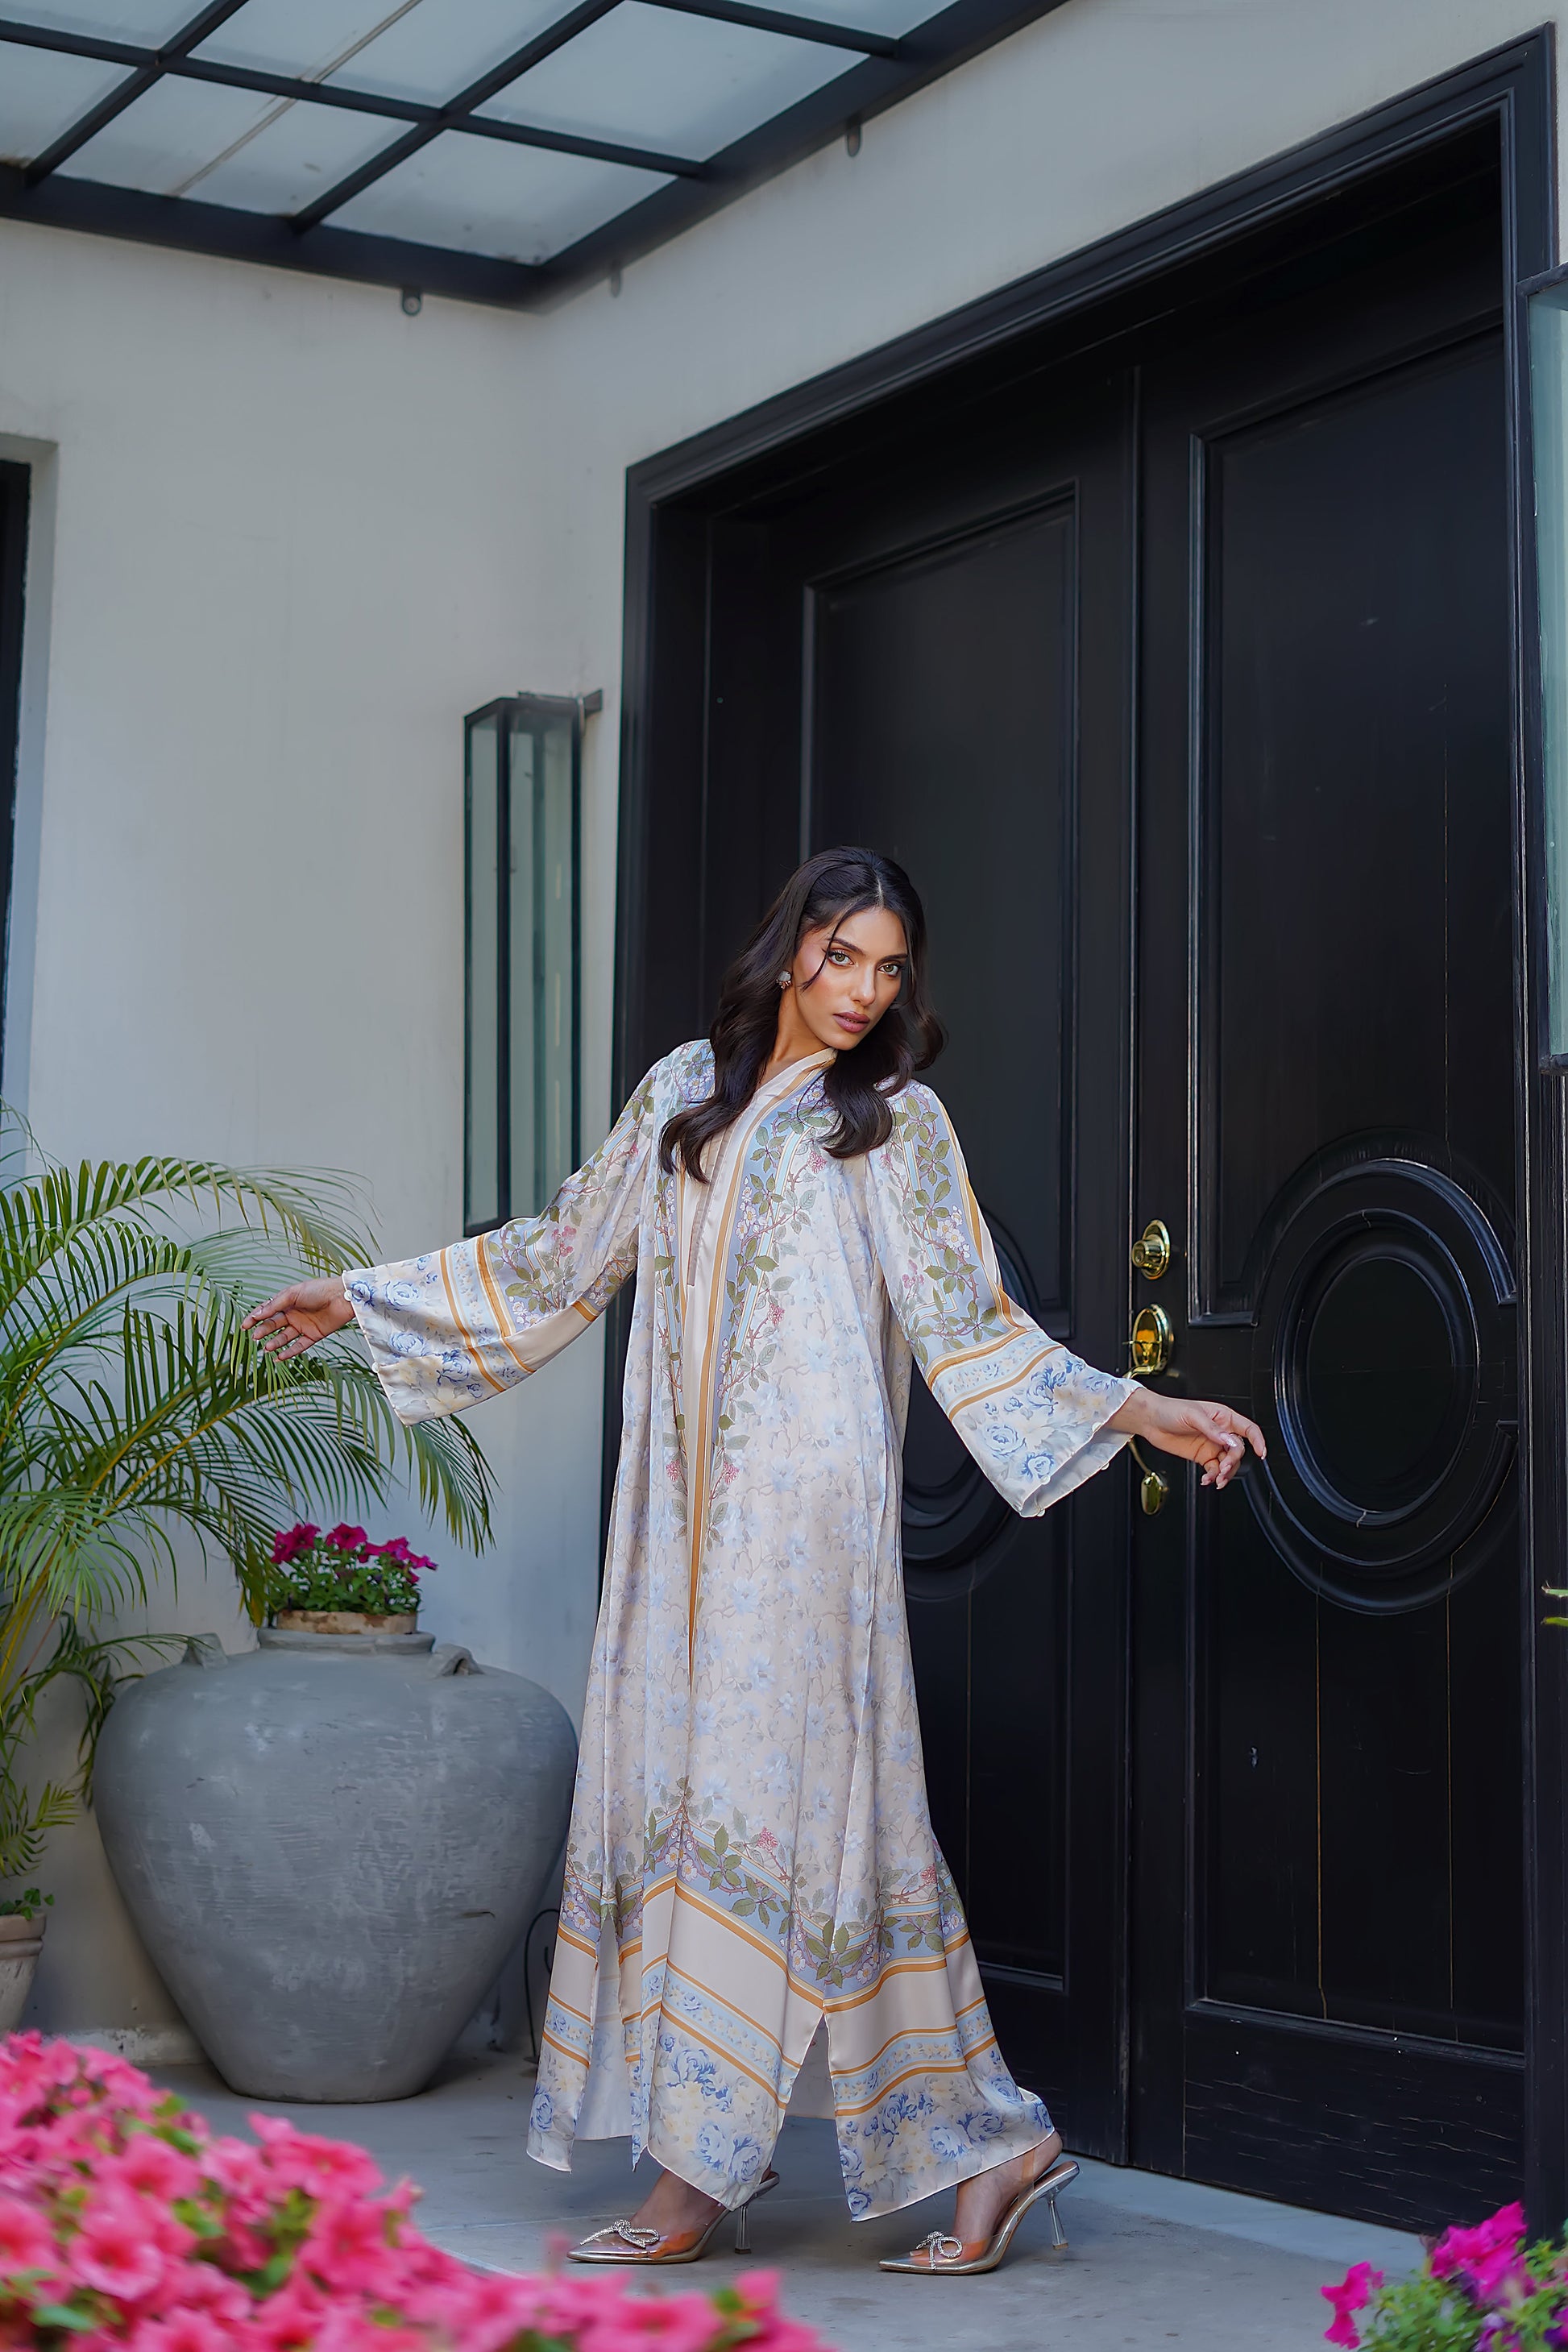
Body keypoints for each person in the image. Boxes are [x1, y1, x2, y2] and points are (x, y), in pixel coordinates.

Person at [245, 846, 1263, 2278]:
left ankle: (700, 2174)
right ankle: (976, 2144)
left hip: (805, 1531)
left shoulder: (892, 1124)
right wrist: (360, 1300)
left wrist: (1141, 1409)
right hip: (674, 1529)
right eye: (842, 956)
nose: (863, 991)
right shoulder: (684, 1093)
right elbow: (559, 1257)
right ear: (792, 947)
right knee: (741, 1813)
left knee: (791, 1815)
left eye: (889, 969)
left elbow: (971, 1324)